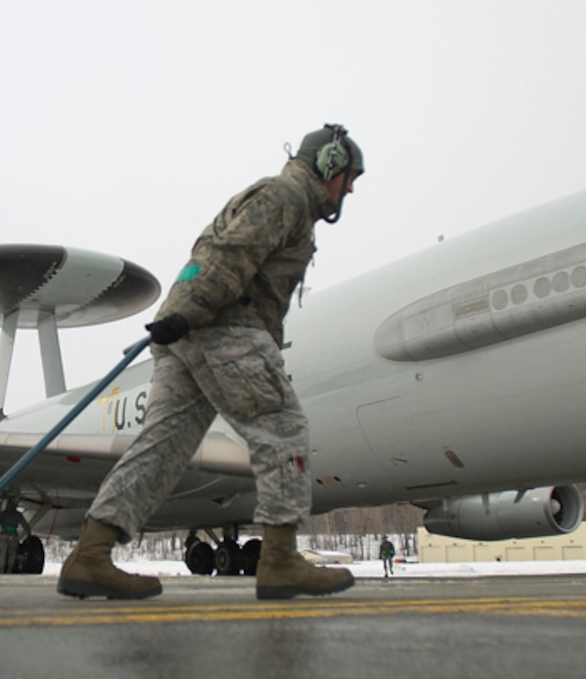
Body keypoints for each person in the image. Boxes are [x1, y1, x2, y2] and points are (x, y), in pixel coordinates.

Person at [58, 124, 365, 601]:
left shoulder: (279, 200)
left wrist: (182, 315)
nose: (349, 189)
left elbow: (210, 255)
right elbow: (229, 255)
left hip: (192, 331)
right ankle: (280, 561)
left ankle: (90, 556)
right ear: (328, 166)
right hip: (225, 327)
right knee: (282, 429)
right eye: (348, 178)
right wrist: (193, 310)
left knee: (163, 445)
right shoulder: (284, 197)